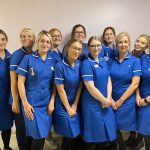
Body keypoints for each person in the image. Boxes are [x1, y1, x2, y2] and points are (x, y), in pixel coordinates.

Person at [16, 30, 56, 150]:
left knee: (42, 134)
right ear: (38, 42)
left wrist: (52, 101)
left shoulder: (54, 60)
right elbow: (20, 82)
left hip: (46, 104)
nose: (45, 44)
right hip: (31, 103)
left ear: (51, 44)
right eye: (42, 41)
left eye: (48, 42)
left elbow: (55, 84)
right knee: (37, 135)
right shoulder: (28, 58)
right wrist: (25, 103)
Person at [81, 36, 116, 150]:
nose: (96, 48)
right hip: (93, 104)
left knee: (105, 133)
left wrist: (109, 97)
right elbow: (90, 87)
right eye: (92, 46)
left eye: (98, 45)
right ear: (88, 48)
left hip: (106, 101)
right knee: (95, 134)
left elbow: (108, 79)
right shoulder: (86, 64)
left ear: (101, 46)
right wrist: (104, 100)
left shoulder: (103, 61)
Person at [109, 32, 142, 150]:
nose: (123, 44)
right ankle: (121, 147)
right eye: (120, 42)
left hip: (127, 99)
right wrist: (110, 99)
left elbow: (135, 84)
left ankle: (124, 146)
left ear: (129, 44)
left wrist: (121, 100)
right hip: (112, 99)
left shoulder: (135, 61)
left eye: (125, 42)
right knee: (111, 124)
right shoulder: (111, 61)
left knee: (123, 125)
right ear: (116, 44)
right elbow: (107, 81)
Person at [54, 38, 83, 150]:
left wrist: (75, 105)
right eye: (74, 48)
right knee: (70, 132)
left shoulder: (80, 65)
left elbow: (80, 86)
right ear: (67, 49)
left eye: (79, 49)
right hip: (62, 103)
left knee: (76, 133)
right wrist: (68, 108)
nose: (76, 51)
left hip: (75, 103)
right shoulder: (60, 66)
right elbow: (60, 89)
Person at [10, 28, 36, 150]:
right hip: (18, 99)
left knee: (30, 127)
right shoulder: (17, 55)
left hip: (30, 97)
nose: (26, 38)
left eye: (29, 36)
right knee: (21, 129)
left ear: (34, 38)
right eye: (23, 36)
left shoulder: (34, 54)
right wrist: (15, 100)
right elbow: (14, 80)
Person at [125, 34, 149, 149]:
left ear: (146, 46)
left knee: (142, 120)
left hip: (143, 94)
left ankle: (140, 139)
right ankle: (132, 136)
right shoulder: (127, 55)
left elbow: (141, 78)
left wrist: (141, 97)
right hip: (130, 91)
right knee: (132, 116)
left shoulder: (145, 59)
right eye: (138, 41)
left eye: (143, 43)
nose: (139, 44)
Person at [45, 28, 63, 150]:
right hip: (48, 87)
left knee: (53, 113)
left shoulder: (60, 53)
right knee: (47, 114)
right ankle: (48, 138)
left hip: (58, 86)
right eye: (53, 36)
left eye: (58, 36)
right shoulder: (47, 52)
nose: (56, 37)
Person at [0, 29, 13, 150]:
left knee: (7, 124)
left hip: (8, 97)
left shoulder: (11, 57)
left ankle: (6, 146)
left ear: (6, 41)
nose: (0, 42)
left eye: (3, 39)